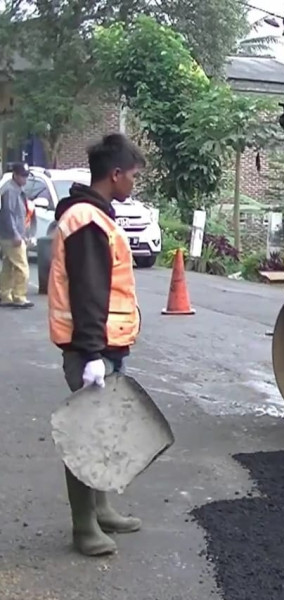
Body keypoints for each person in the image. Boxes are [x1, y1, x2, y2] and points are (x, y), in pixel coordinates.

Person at [47, 133, 146, 557]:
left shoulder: (96, 216)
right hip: (93, 349)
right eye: (134, 176)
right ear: (116, 174)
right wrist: (91, 356)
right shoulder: (87, 222)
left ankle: (101, 508)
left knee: (103, 432)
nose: (134, 184)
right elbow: (89, 294)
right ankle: (83, 526)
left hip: (107, 346)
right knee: (86, 436)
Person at [0, 162, 34, 308]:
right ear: (15, 175)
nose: (25, 179)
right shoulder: (10, 191)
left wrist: (23, 234)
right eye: (22, 176)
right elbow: (8, 214)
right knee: (22, 267)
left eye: (26, 176)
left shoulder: (16, 189)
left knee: (9, 266)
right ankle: (19, 296)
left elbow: (20, 215)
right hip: (10, 236)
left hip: (13, 235)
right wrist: (15, 234)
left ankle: (5, 294)